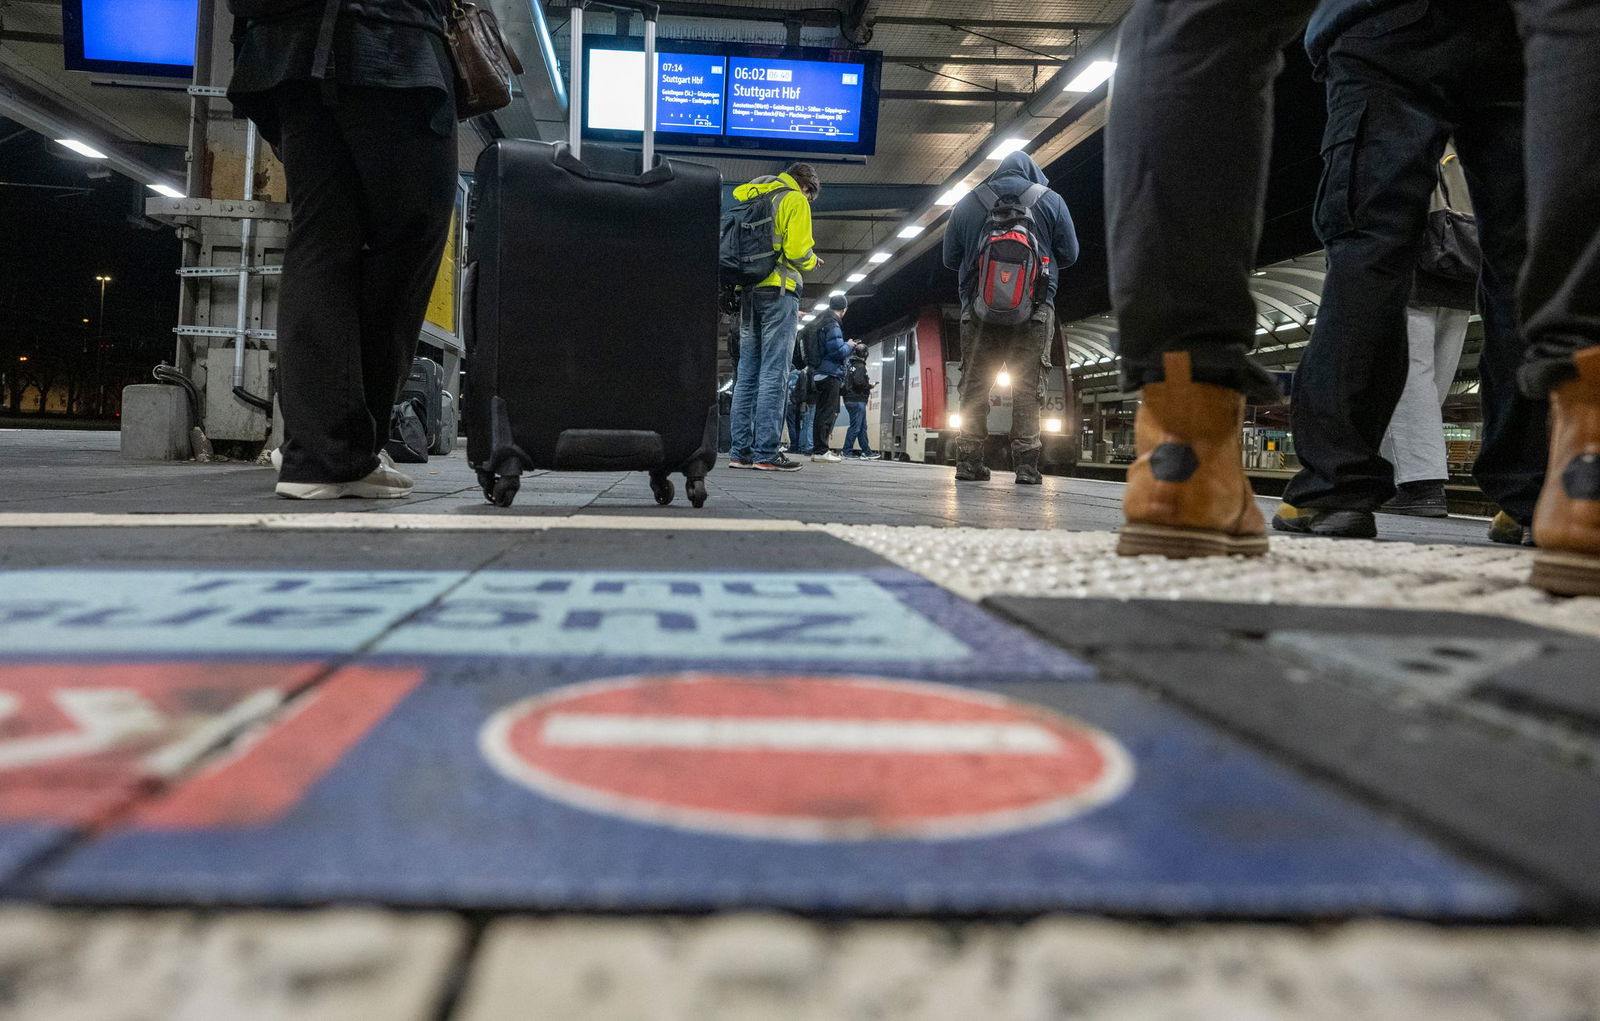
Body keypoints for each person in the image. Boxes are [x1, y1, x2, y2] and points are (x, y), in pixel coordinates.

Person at [1105, 0, 1599, 597]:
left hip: (1382, 28)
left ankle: (1200, 457)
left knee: (1197, 23)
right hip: (1515, 39)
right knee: (1525, 245)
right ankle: (1569, 477)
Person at [1271, 4, 1545, 540]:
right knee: (1525, 260)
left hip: (1386, 29)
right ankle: (1535, 495)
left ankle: (1335, 490)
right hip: (1521, 34)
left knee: (1368, 249)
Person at [227, 0, 458, 499]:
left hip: (284, 43)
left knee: (320, 240)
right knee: (411, 238)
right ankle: (344, 448)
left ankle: (316, 454)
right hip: (390, 40)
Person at [942, 151, 1079, 485]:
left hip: (977, 313)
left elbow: (949, 258)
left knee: (974, 388)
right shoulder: (1051, 201)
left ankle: (969, 462)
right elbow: (1070, 255)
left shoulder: (969, 202)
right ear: (1032, 171)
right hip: (1034, 313)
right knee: (1028, 390)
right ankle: (1027, 467)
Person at [1378, 153, 1479, 519]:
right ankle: (1405, 477)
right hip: (1465, 262)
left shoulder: (1414, 130)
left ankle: (1420, 484)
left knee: (1407, 373)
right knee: (1433, 378)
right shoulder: (1469, 138)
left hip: (1418, 262)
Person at [727, 163, 822, 472]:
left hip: (749, 291)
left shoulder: (753, 196)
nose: (808, 199)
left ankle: (740, 451)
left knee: (747, 373)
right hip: (779, 290)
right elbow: (796, 251)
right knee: (774, 373)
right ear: (805, 187)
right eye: (810, 194)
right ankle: (766, 452)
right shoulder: (794, 200)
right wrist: (811, 260)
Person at [807, 294, 857, 463]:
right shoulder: (832, 324)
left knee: (820, 413)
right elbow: (837, 351)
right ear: (844, 310)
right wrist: (849, 346)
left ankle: (818, 450)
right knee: (827, 413)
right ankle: (822, 451)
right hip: (830, 374)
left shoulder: (821, 321)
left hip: (819, 373)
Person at [842, 348, 876, 459]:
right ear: (865, 354)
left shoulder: (851, 365)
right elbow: (858, 382)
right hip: (856, 399)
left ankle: (866, 451)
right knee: (856, 427)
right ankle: (846, 451)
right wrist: (869, 386)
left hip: (851, 399)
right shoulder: (860, 366)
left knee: (862, 427)